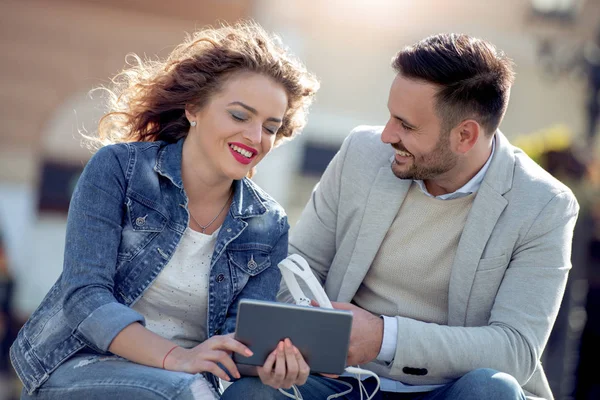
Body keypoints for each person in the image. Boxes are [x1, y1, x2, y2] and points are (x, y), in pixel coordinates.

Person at [223, 33, 579, 400]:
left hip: (450, 388)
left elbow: (515, 349)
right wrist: (291, 345)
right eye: (390, 117)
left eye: (406, 126)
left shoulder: (543, 205)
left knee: (493, 390)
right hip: (339, 379)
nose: (387, 135)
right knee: (250, 394)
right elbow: (300, 265)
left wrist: (382, 338)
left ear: (465, 136)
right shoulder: (361, 152)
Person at [11, 21, 319, 399]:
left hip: (190, 375)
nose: (256, 138)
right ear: (194, 108)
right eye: (240, 116)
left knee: (268, 395)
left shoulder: (268, 223)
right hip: (82, 361)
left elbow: (239, 337)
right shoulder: (119, 170)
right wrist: (176, 358)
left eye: (271, 127)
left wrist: (273, 364)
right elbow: (86, 297)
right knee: (184, 393)